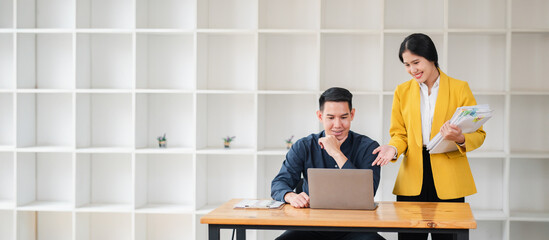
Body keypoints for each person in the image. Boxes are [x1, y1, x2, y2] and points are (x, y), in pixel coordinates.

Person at [371, 33, 486, 240]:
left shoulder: (460, 88)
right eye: (407, 65)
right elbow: (399, 134)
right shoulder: (402, 92)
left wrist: (460, 138)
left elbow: (478, 134)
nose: (412, 70)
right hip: (413, 176)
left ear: (431, 57)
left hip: (449, 178)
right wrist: (393, 148)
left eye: (416, 62)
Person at [271, 87, 385, 240]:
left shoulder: (369, 147)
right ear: (320, 116)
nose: (337, 125)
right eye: (330, 118)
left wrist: (336, 153)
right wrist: (290, 195)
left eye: (344, 117)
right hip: (311, 226)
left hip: (356, 227)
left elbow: (368, 191)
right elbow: (279, 183)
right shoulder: (304, 146)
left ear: (352, 115)